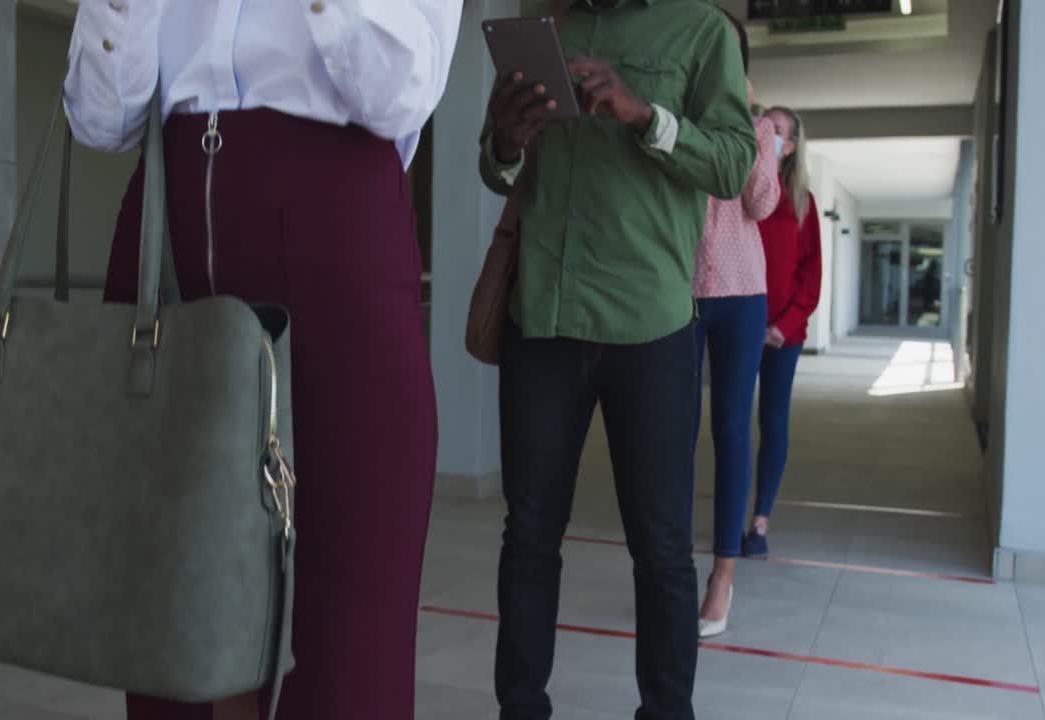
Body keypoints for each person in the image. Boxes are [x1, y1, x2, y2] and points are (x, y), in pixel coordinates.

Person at [62, 3, 461, 719]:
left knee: (347, 637)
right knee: (167, 624)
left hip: (336, 231)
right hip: (168, 239)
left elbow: (401, 92)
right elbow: (99, 119)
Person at [480, 1, 757, 717]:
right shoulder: (545, 25)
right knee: (529, 535)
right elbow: (496, 164)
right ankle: (520, 709)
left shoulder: (704, 31)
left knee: (661, 547)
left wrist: (643, 115)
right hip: (541, 316)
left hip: (651, 322)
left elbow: (732, 164)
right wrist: (506, 143)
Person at [691, 9, 781, 639]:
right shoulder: (676, 119)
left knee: (729, 428)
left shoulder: (760, 130)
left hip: (742, 296)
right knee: (668, 432)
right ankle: (668, 569)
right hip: (676, 291)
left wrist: (753, 128)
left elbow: (761, 202)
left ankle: (723, 571)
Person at [743, 106, 822, 560]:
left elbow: (811, 275)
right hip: (740, 329)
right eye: (760, 123)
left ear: (789, 147)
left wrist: (783, 326)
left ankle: (760, 522)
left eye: (773, 130)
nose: (762, 132)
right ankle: (730, 514)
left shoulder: (803, 204)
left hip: (781, 335)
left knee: (772, 422)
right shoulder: (738, 192)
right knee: (731, 425)